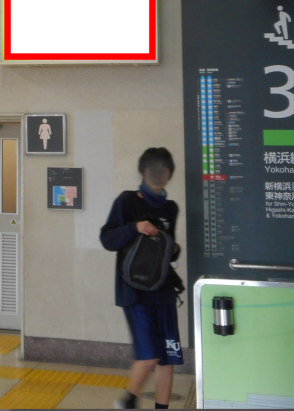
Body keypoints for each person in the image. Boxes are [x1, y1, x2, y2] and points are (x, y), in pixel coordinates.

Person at [100, 147, 183, 410]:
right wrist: (133, 228)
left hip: (163, 290)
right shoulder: (127, 201)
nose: (158, 174)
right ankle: (127, 401)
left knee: (167, 358)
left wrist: (174, 248)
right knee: (149, 356)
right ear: (142, 172)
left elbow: (167, 250)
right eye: (152, 169)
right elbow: (107, 239)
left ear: (170, 174)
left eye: (163, 169)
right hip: (135, 292)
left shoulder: (170, 208)